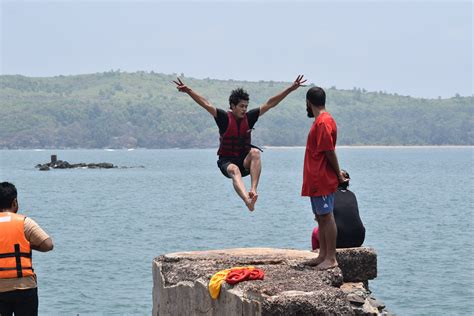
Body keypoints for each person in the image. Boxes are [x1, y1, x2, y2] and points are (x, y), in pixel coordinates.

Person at [173, 75, 306, 211]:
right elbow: (206, 104)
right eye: (241, 106)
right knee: (234, 170)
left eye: (246, 106)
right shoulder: (224, 118)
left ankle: (253, 191)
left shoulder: (250, 117)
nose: (244, 109)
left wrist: (290, 89)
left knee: (255, 153)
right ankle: (247, 201)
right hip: (227, 162)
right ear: (232, 106)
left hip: (244, 161)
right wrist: (189, 91)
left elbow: (270, 103)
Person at [302, 86, 347, 270]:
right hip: (316, 178)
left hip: (322, 177)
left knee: (327, 216)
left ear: (308, 102)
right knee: (320, 217)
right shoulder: (320, 121)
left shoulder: (323, 122)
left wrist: (338, 174)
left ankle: (331, 257)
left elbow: (329, 151)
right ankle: (322, 254)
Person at [0, 182, 54, 316]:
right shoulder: (24, 222)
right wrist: (27, 244)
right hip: (24, 287)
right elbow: (48, 245)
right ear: (14, 202)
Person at [311, 170, 365, 250]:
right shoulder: (352, 195)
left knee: (316, 231)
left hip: (336, 240)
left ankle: (320, 255)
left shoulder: (329, 196)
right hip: (358, 239)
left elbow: (321, 220)